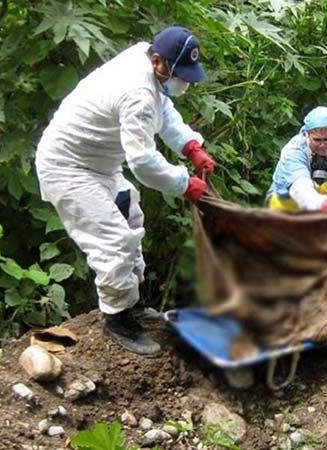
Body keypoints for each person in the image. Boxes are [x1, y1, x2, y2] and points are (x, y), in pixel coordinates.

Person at [35, 26, 215, 355]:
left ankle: (133, 303)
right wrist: (184, 184)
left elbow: (164, 109)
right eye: (179, 75)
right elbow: (143, 161)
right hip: (68, 167)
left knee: (131, 217)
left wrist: (190, 145)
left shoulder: (144, 59)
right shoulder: (137, 92)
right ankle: (117, 317)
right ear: (158, 60)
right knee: (113, 240)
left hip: (101, 165)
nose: (183, 83)